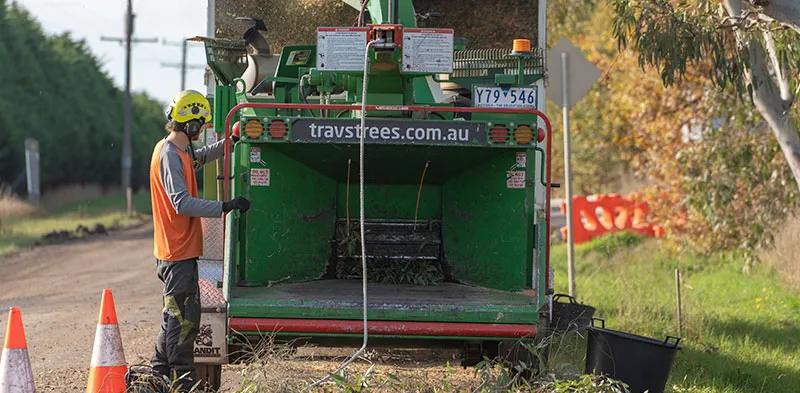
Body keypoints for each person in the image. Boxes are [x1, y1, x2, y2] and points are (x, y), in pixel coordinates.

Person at [148, 90, 250, 390]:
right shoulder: (168, 155)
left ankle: (156, 374)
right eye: (201, 125)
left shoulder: (180, 151)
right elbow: (181, 202)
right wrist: (225, 206)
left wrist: (229, 143)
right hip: (175, 252)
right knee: (184, 320)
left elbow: (201, 157)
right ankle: (182, 382)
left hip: (179, 250)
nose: (202, 129)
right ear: (191, 125)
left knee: (174, 315)